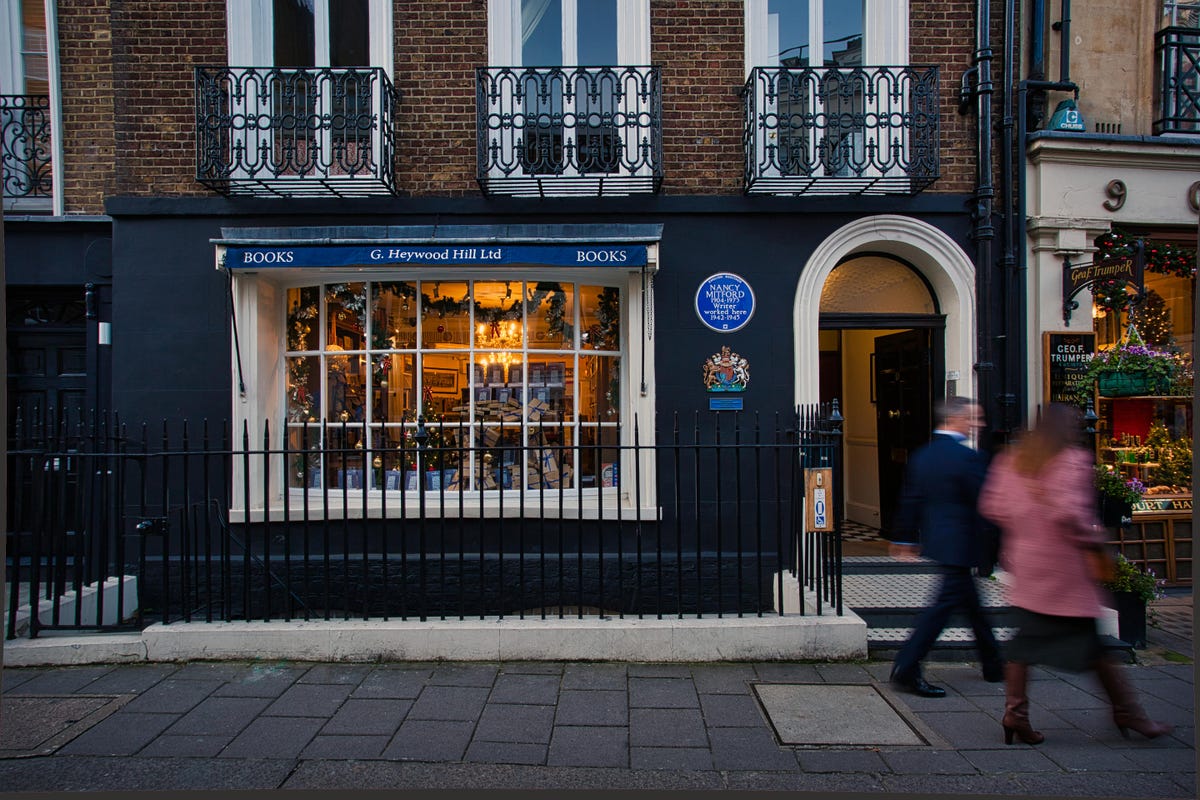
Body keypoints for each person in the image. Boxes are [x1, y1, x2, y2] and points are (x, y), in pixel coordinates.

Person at [978, 403, 1171, 745]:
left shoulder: (1013, 460)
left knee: (1033, 643)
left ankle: (1017, 713)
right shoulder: (1070, 461)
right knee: (1092, 647)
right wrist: (1094, 540)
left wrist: (1024, 529)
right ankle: (1126, 712)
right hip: (1062, 568)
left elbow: (993, 506)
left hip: (1027, 565)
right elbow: (1071, 513)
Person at [888, 396, 1005, 698]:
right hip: (962, 542)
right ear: (955, 419)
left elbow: (910, 498)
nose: (977, 424)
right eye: (972, 418)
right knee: (940, 611)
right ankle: (907, 668)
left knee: (972, 607)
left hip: (940, 540)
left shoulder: (923, 455)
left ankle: (993, 664)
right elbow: (987, 503)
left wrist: (905, 538)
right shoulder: (968, 458)